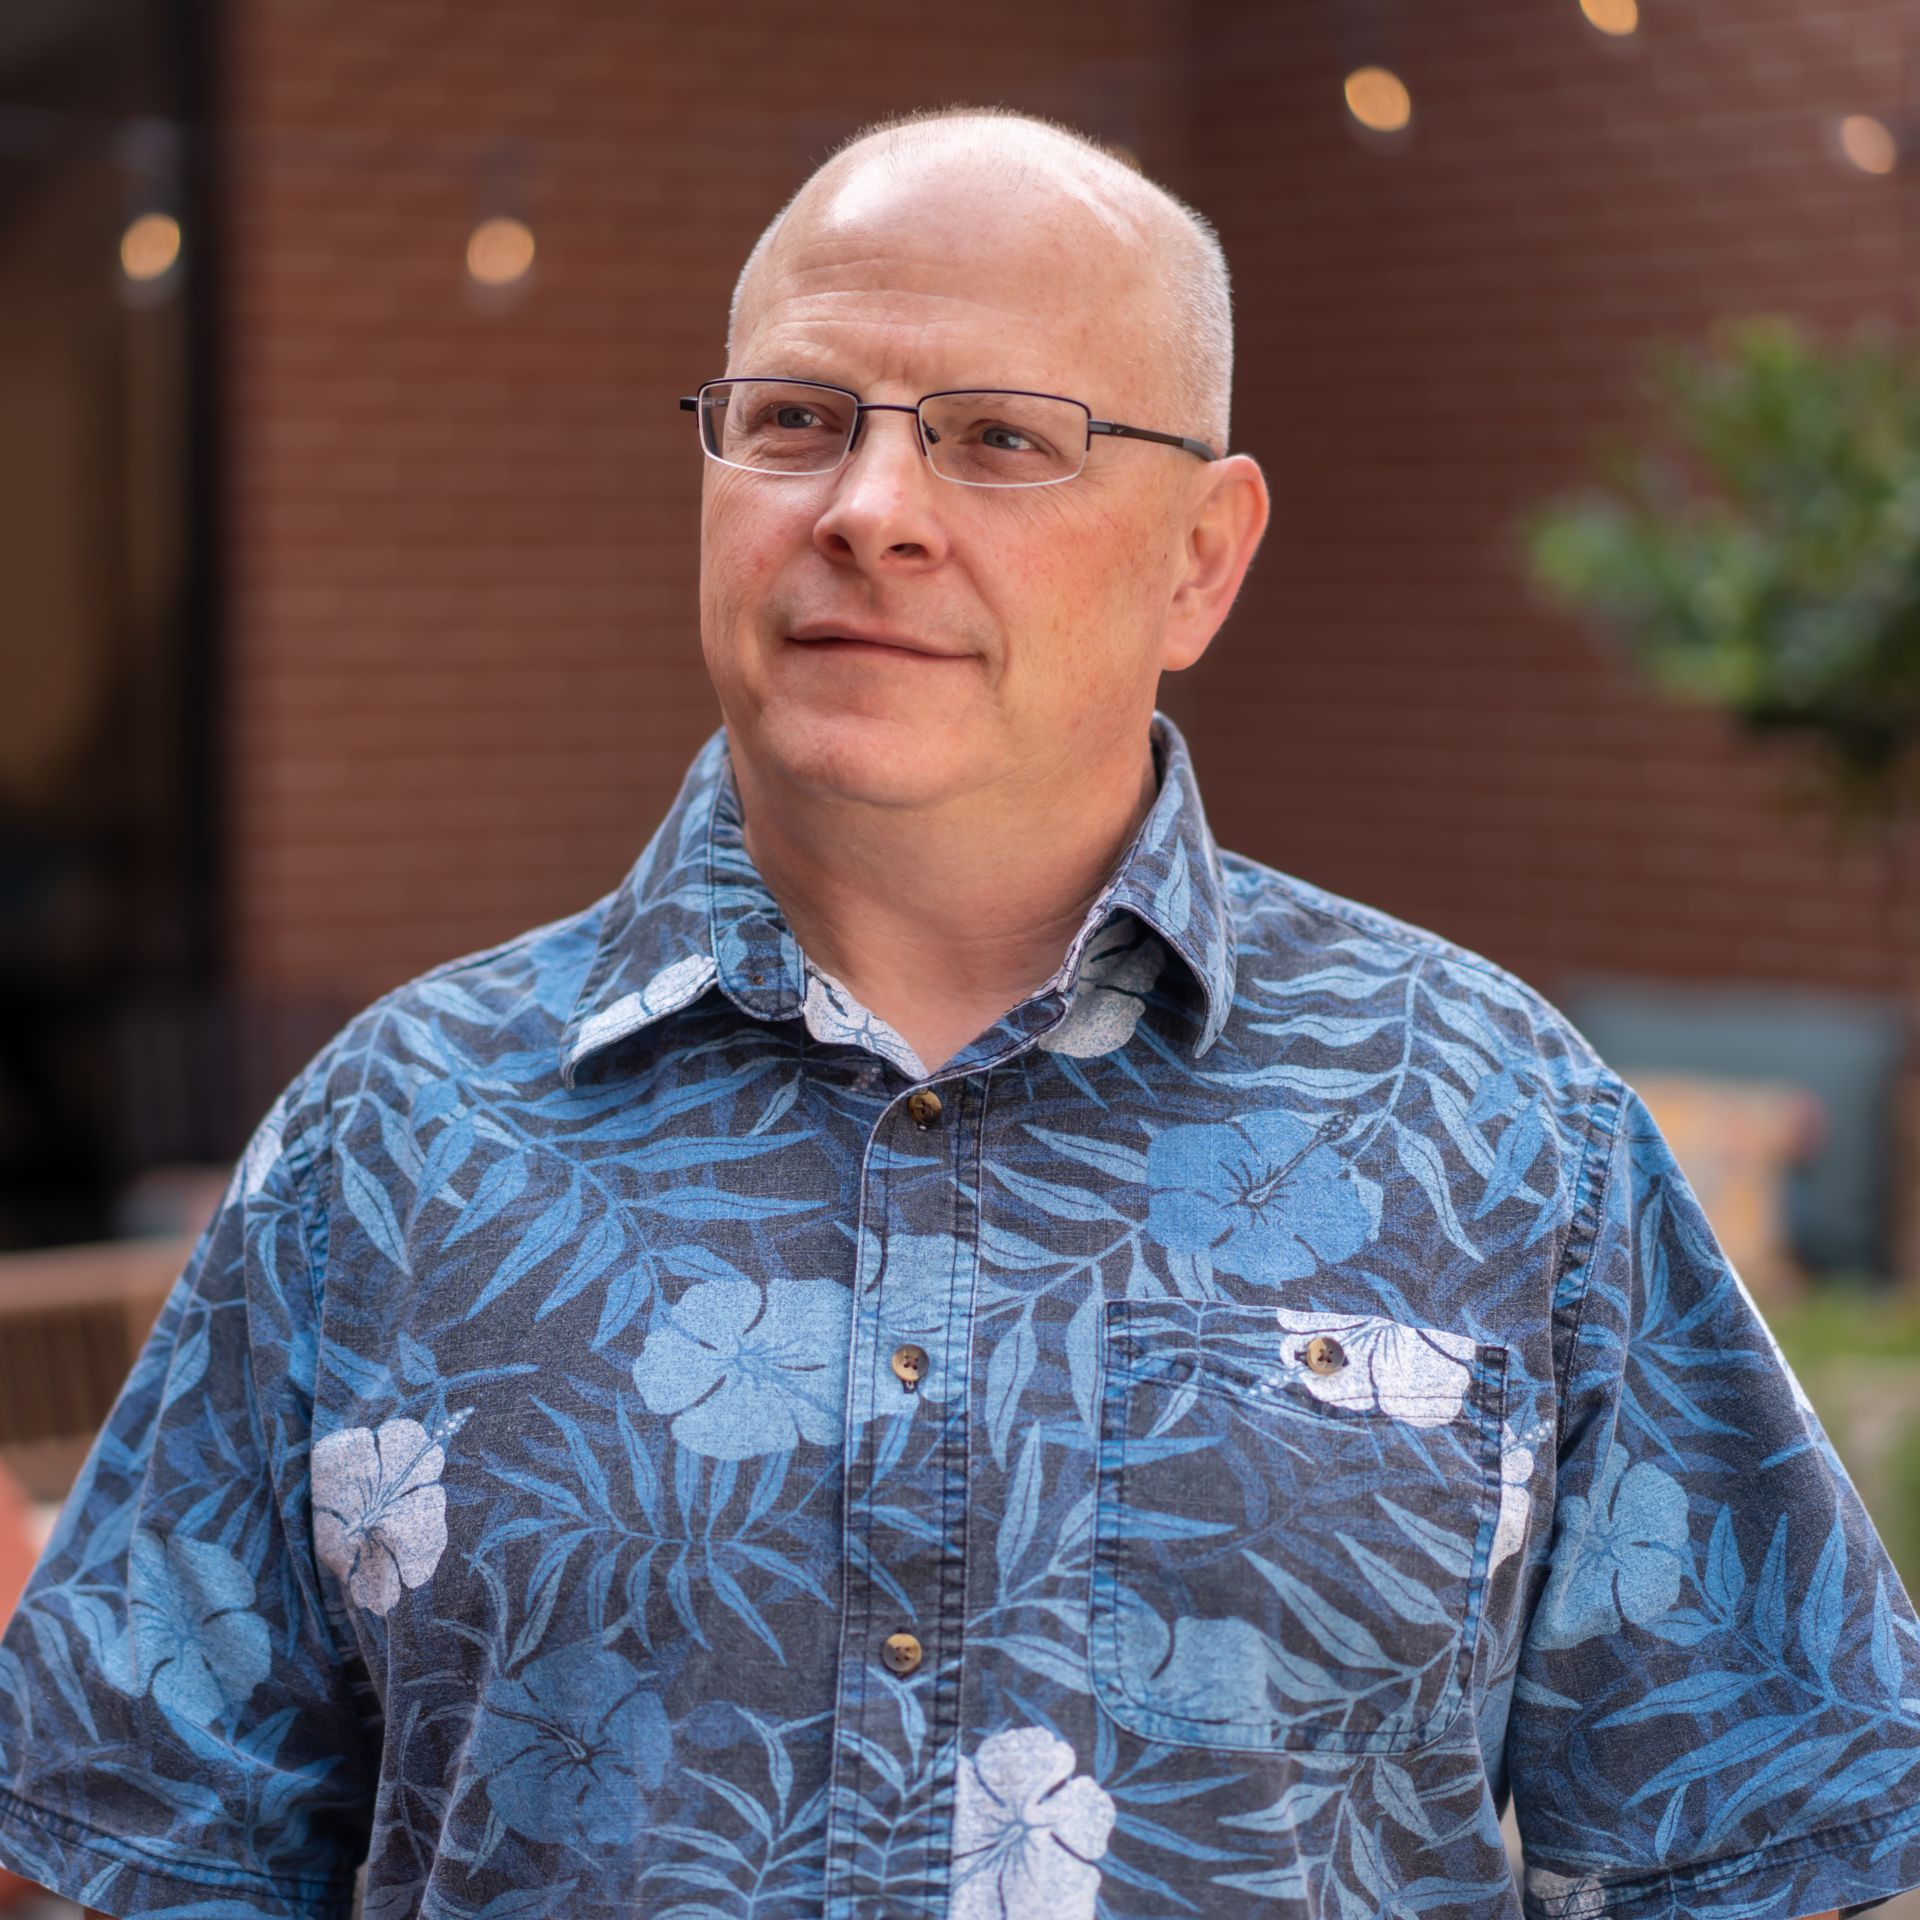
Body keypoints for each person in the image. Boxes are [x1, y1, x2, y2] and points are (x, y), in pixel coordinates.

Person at [0, 104, 1911, 1920]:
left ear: (1202, 558)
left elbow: (1754, 1849)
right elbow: (143, 1855)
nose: (873, 507)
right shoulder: (388, 1144)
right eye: (796, 420)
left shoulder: (1499, 1132)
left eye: (1002, 438)